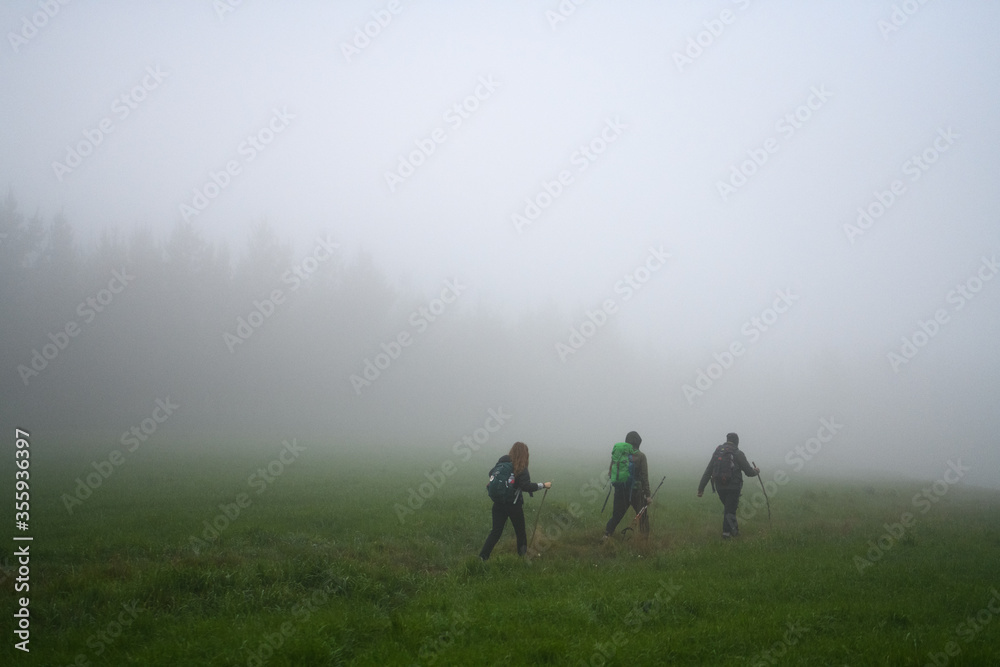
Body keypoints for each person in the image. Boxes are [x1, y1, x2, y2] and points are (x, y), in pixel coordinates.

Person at [479, 441, 551, 560]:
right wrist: (543, 485)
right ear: (524, 454)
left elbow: (491, 473)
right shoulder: (521, 467)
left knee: (495, 532)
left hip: (498, 503)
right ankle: (522, 558)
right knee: (520, 532)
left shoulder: (502, 462)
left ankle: (483, 557)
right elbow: (526, 486)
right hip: (513, 506)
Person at [697, 432, 759, 538]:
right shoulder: (738, 453)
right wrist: (756, 471)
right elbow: (749, 472)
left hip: (720, 486)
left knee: (729, 509)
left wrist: (701, 488)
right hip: (733, 487)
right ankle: (726, 535)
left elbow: (708, 470)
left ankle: (735, 532)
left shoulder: (718, 452)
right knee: (729, 511)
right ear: (737, 441)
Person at [603, 431, 650, 539]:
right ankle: (645, 540)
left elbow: (610, 472)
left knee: (616, 516)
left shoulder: (619, 454)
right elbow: (644, 477)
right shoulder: (641, 456)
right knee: (642, 516)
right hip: (636, 491)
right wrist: (648, 495)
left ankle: (606, 535)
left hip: (620, 490)